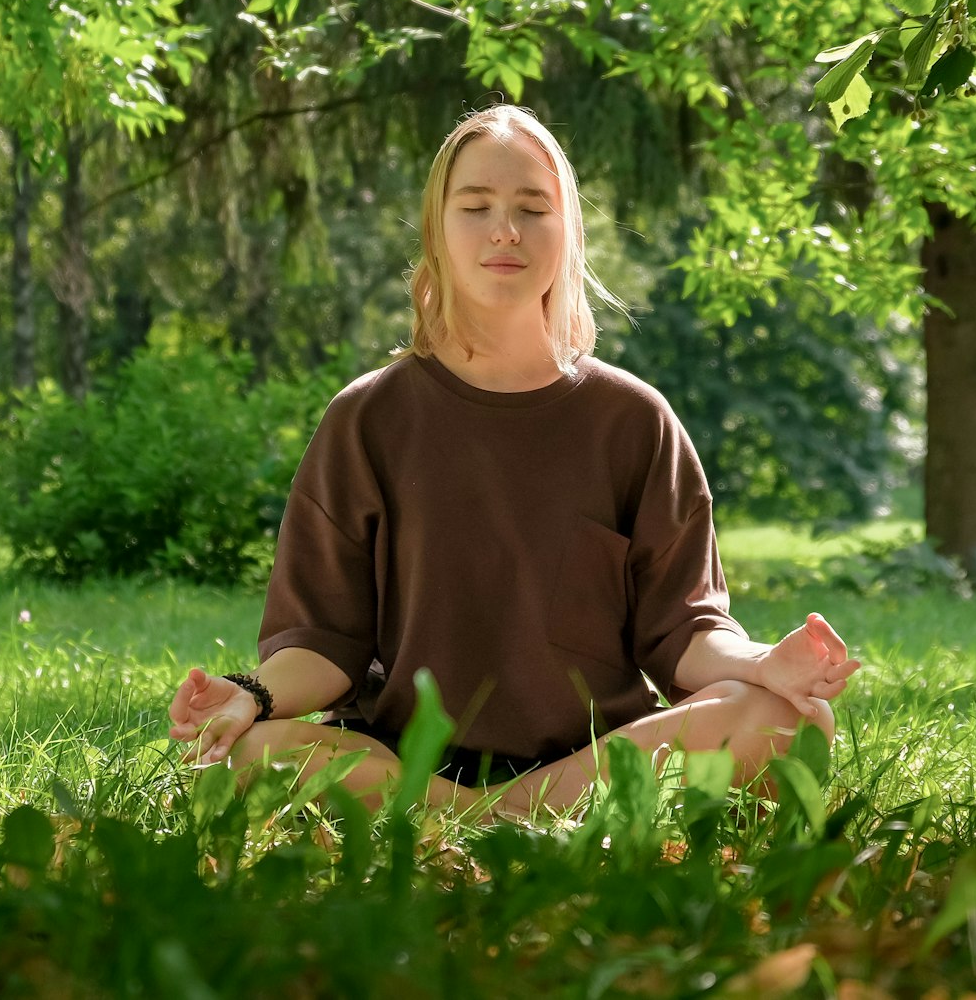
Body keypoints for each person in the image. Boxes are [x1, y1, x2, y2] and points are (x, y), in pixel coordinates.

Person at [167, 106, 861, 817]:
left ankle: (478, 822)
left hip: (595, 761)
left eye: (533, 207)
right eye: (476, 206)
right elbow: (324, 645)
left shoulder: (635, 421)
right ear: (437, 228)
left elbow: (684, 629)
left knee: (792, 722)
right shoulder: (367, 419)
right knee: (250, 757)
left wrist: (761, 663)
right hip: (406, 761)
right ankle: (511, 820)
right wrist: (249, 696)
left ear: (568, 234)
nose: (505, 229)